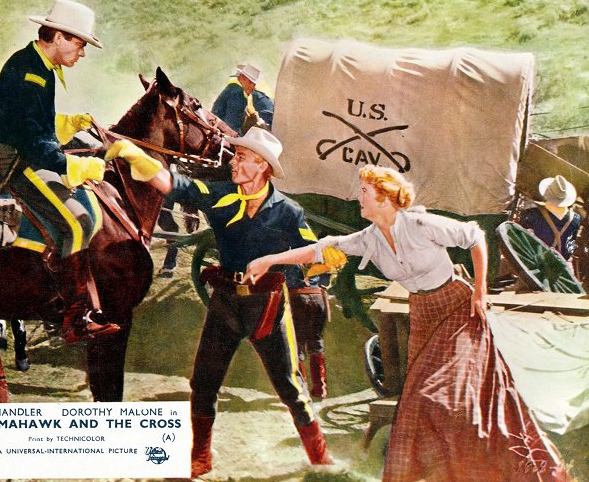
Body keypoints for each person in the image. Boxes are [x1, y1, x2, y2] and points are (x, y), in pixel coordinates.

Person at [244, 165, 569, 481]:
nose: (359, 198)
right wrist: (269, 260)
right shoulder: (369, 239)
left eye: (365, 192)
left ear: (385, 198)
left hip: (458, 309)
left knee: (445, 398)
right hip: (423, 315)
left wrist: (480, 290)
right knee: (415, 407)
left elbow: (475, 237)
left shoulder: (421, 224)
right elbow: (319, 250)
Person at [104, 127, 333, 478]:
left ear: (263, 167)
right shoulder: (220, 196)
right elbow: (174, 184)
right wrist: (135, 155)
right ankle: (201, 457)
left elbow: (317, 254)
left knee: (289, 387)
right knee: (203, 383)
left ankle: (321, 460)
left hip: (268, 309)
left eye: (242, 158)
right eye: (235, 155)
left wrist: (285, 268)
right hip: (225, 305)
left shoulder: (288, 212)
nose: (233, 162)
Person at [0, 0, 119, 344]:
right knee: (80, 223)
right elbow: (32, 143)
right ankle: (73, 320)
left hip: (28, 154)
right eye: (79, 43)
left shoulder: (36, 64)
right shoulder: (32, 73)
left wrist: (66, 123)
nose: (81, 53)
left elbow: (33, 124)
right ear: (59, 37)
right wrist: (75, 165)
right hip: (21, 164)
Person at [520, 175, 580, 262]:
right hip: (555, 266)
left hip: (533, 261)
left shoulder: (533, 213)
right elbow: (568, 252)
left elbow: (520, 240)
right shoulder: (575, 219)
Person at [212, 63, 274, 134]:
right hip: (222, 133)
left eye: (254, 84)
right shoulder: (238, 94)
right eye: (251, 83)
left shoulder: (234, 89)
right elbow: (232, 127)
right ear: (243, 79)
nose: (253, 87)